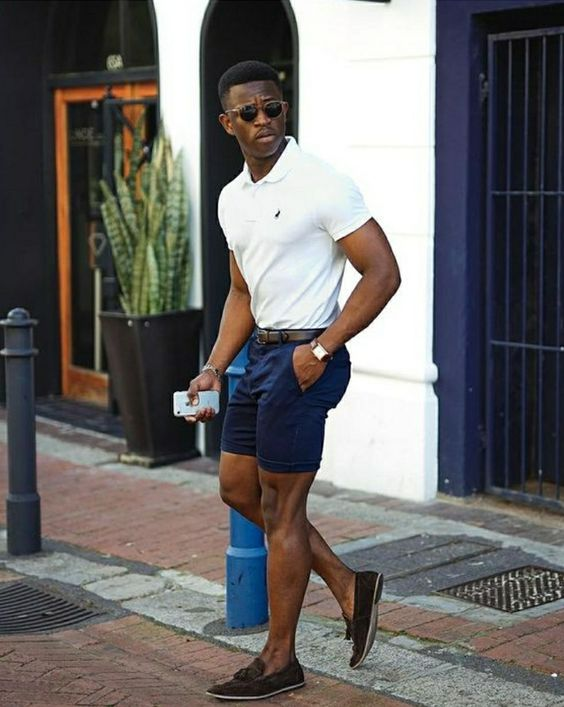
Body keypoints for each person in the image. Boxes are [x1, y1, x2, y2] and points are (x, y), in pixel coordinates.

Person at [185, 60, 401, 701]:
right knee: (236, 487)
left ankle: (280, 660)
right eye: (248, 113)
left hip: (307, 360)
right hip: (259, 358)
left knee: (283, 511)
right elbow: (242, 292)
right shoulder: (232, 198)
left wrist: (324, 347)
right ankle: (346, 582)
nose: (264, 120)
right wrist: (213, 367)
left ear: (285, 109)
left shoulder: (322, 184)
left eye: (273, 107)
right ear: (227, 122)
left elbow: (383, 272)